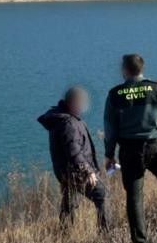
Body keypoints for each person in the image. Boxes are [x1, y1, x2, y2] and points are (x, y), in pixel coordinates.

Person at [104, 54, 157, 243]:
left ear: (124, 70)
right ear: (142, 68)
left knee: (134, 195)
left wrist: (110, 154)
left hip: (130, 150)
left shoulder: (115, 94)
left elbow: (111, 128)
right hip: (156, 145)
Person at [38, 86, 109, 231]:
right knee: (103, 196)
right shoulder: (69, 124)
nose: (84, 106)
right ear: (74, 103)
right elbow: (74, 152)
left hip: (64, 171)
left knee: (69, 203)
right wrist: (88, 171)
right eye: (82, 103)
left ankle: (65, 233)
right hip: (77, 172)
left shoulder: (59, 117)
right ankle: (106, 234)